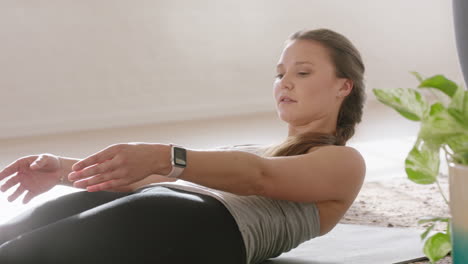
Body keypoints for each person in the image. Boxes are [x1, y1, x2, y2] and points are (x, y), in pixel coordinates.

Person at [0, 28, 366, 264]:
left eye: (302, 73)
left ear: (342, 87)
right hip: (158, 205)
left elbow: (259, 177)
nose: (284, 83)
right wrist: (62, 170)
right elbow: (150, 176)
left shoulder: (343, 161)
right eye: (280, 73)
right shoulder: (252, 147)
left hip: (203, 224)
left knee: (24, 254)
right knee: (13, 236)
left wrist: (165, 155)